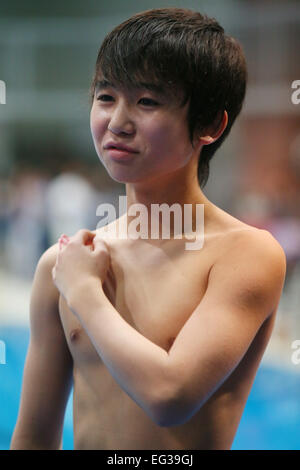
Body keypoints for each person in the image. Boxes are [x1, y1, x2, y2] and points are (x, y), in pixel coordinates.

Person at [10, 8, 286, 450]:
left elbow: (171, 396)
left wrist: (84, 293)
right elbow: (34, 436)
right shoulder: (60, 265)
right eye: (105, 97)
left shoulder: (245, 255)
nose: (117, 122)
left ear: (211, 125)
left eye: (147, 102)